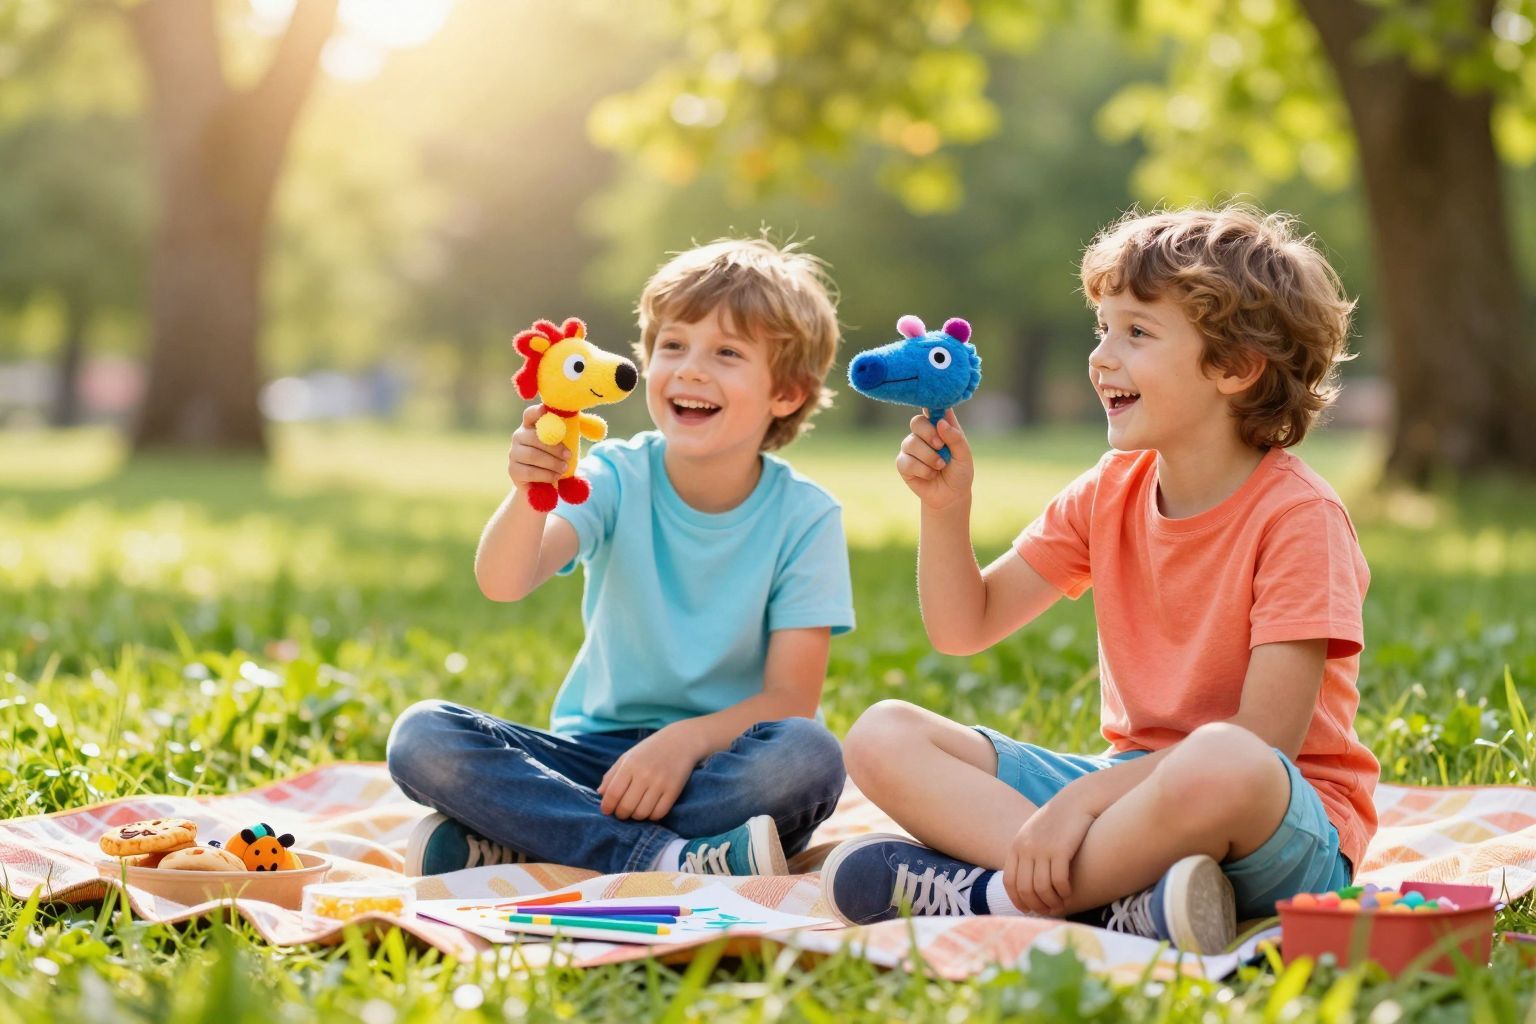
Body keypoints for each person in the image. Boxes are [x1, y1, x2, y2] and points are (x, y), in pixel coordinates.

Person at [821, 206, 1377, 954]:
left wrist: (1082, 801)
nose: (1101, 357)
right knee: (882, 733)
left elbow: (1264, 742)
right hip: (1126, 796)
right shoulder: (1109, 488)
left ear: (1235, 367)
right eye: (1101, 329)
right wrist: (946, 511)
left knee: (1224, 758)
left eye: (1137, 333)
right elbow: (964, 628)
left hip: (1275, 827)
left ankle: (997, 894)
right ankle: (1121, 905)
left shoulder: (1299, 517)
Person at [388, 238, 854, 877]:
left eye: (726, 353)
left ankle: (536, 837)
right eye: (673, 345)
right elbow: (503, 582)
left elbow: (790, 699)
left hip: (723, 762)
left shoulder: (806, 516)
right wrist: (531, 493)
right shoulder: (612, 474)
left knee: (806, 756)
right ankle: (669, 857)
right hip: (595, 759)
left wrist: (684, 742)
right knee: (423, 737)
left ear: (788, 394)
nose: (689, 369)